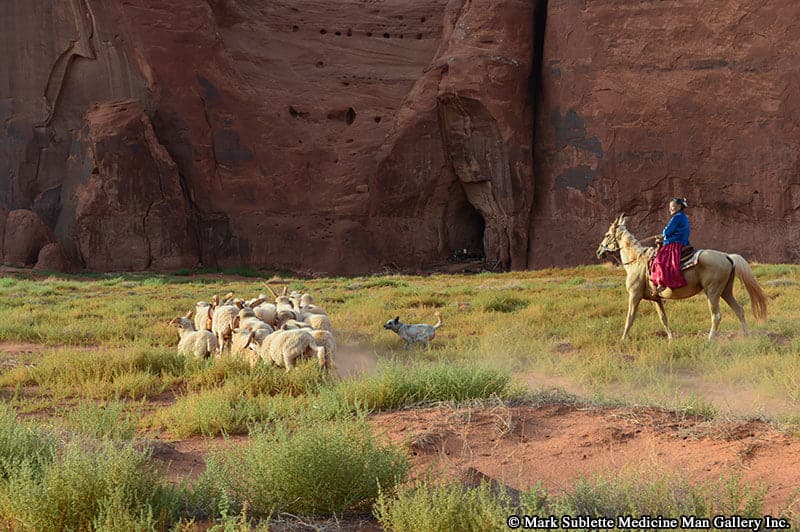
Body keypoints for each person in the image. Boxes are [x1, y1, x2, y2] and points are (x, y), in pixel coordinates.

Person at [651, 197, 690, 295]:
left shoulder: (677, 217)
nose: (670, 209)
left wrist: (663, 236)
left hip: (675, 243)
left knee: (659, 260)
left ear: (679, 207)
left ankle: (662, 282)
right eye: (670, 207)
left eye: (672, 207)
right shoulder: (683, 216)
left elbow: (667, 231)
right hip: (682, 241)